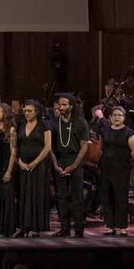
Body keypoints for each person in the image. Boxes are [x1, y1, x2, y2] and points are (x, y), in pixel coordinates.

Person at [50, 94, 88, 238]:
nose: (61, 107)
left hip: (75, 160)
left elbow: (84, 147)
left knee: (77, 197)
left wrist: (74, 165)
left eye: (65, 104)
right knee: (61, 197)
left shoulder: (80, 122)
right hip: (60, 160)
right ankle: (64, 228)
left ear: (71, 106)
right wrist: (56, 165)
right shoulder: (54, 123)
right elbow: (51, 147)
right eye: (60, 104)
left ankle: (79, 229)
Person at [96, 105, 134, 236]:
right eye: (115, 115)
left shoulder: (128, 132)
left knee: (120, 197)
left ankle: (122, 227)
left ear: (124, 118)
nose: (117, 117)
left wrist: (124, 160)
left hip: (121, 169)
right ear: (110, 117)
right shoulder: (106, 130)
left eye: (120, 115)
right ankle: (111, 226)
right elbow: (101, 147)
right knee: (107, 196)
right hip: (106, 168)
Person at [15, 99, 52, 237]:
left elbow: (47, 146)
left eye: (30, 111)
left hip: (38, 165)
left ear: (36, 112)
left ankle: (36, 226)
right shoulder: (21, 124)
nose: (27, 113)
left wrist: (35, 162)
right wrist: (19, 162)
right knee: (24, 194)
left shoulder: (44, 125)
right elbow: (16, 146)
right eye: (25, 111)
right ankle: (24, 226)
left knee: (37, 194)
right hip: (23, 165)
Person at [0, 102, 18, 238]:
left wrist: (9, 171)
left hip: (6, 165)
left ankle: (6, 229)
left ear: (5, 114)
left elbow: (13, 152)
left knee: (6, 197)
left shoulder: (11, 129)